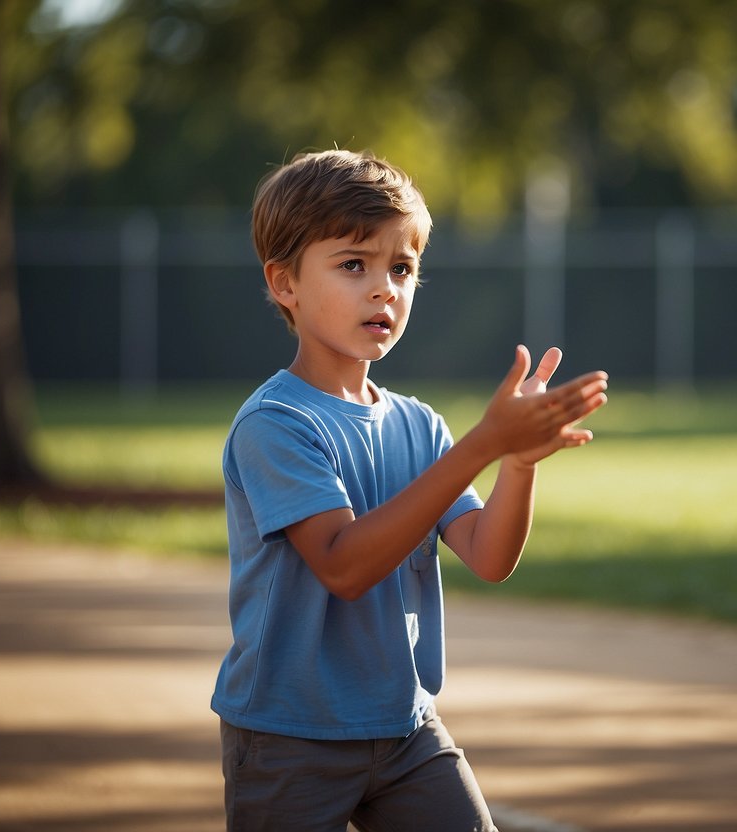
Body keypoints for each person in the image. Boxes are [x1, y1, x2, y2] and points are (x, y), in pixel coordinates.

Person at [211, 148, 609, 832]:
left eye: (401, 268)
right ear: (284, 284)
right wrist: (483, 445)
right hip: (289, 737)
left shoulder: (420, 425)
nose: (384, 289)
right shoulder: (275, 425)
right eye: (353, 264)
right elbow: (343, 564)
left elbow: (488, 557)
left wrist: (516, 464)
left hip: (405, 727)